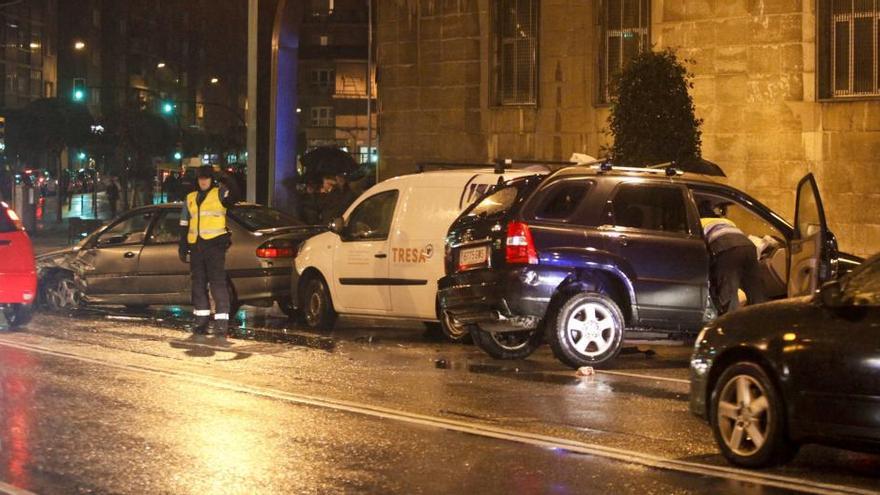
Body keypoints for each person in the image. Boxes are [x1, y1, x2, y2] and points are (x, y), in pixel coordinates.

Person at [178, 166, 240, 340]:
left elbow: (235, 194)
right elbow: (184, 224)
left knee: (217, 284)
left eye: (206, 178)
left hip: (214, 247)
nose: (203, 181)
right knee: (198, 285)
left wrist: (224, 177)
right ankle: (201, 321)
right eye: (200, 179)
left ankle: (221, 324)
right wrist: (183, 245)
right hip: (196, 247)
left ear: (211, 179)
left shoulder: (220, 193)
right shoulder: (190, 198)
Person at [699, 200, 767, 313]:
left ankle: (731, 323)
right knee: (755, 288)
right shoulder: (726, 221)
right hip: (748, 246)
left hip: (725, 247)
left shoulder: (700, 222)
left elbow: (702, 247)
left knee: (728, 291)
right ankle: (762, 318)